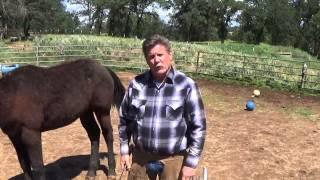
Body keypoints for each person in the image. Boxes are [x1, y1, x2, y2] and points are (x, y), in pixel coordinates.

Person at [119, 34, 206, 180]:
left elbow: (199, 127)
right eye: (151, 56)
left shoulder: (186, 85)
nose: (156, 60)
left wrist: (191, 163)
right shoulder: (137, 85)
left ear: (170, 55)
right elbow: (124, 121)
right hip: (141, 158)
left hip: (174, 159)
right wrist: (124, 151)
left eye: (160, 54)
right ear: (147, 59)